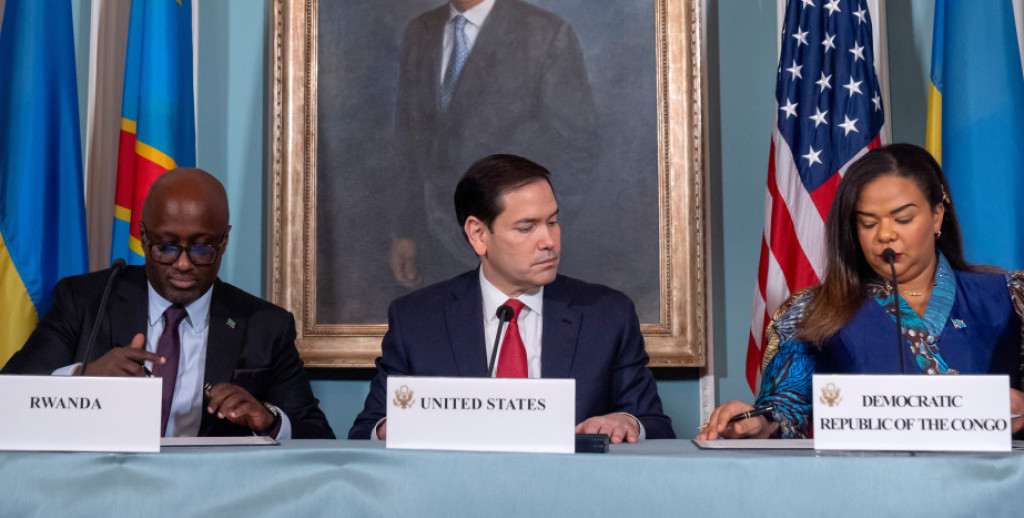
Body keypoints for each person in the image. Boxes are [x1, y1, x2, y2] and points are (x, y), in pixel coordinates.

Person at [698, 143, 1024, 440]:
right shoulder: (813, 311)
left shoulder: (1010, 297)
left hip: (988, 482)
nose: (885, 235)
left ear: (937, 217)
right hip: (865, 482)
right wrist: (757, 423)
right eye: (868, 223)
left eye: (903, 219)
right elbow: (784, 408)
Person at [352, 154, 673, 443]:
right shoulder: (417, 319)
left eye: (552, 222)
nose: (549, 241)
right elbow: (368, 429)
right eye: (526, 228)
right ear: (478, 234)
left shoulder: (607, 315)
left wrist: (627, 422)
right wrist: (395, 427)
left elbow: (654, 424)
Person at [2, 167, 335, 440]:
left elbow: (317, 435)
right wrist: (84, 375)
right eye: (166, 247)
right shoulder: (85, 301)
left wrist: (268, 420)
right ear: (144, 237)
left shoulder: (265, 325)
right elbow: (8, 398)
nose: (183, 264)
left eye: (202, 248)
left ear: (224, 240)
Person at [390, 0, 598, 289]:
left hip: (513, 249)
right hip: (432, 245)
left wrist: (533, 234)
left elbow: (577, 150)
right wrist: (404, 232)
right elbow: (407, 142)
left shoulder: (546, 35)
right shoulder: (419, 33)